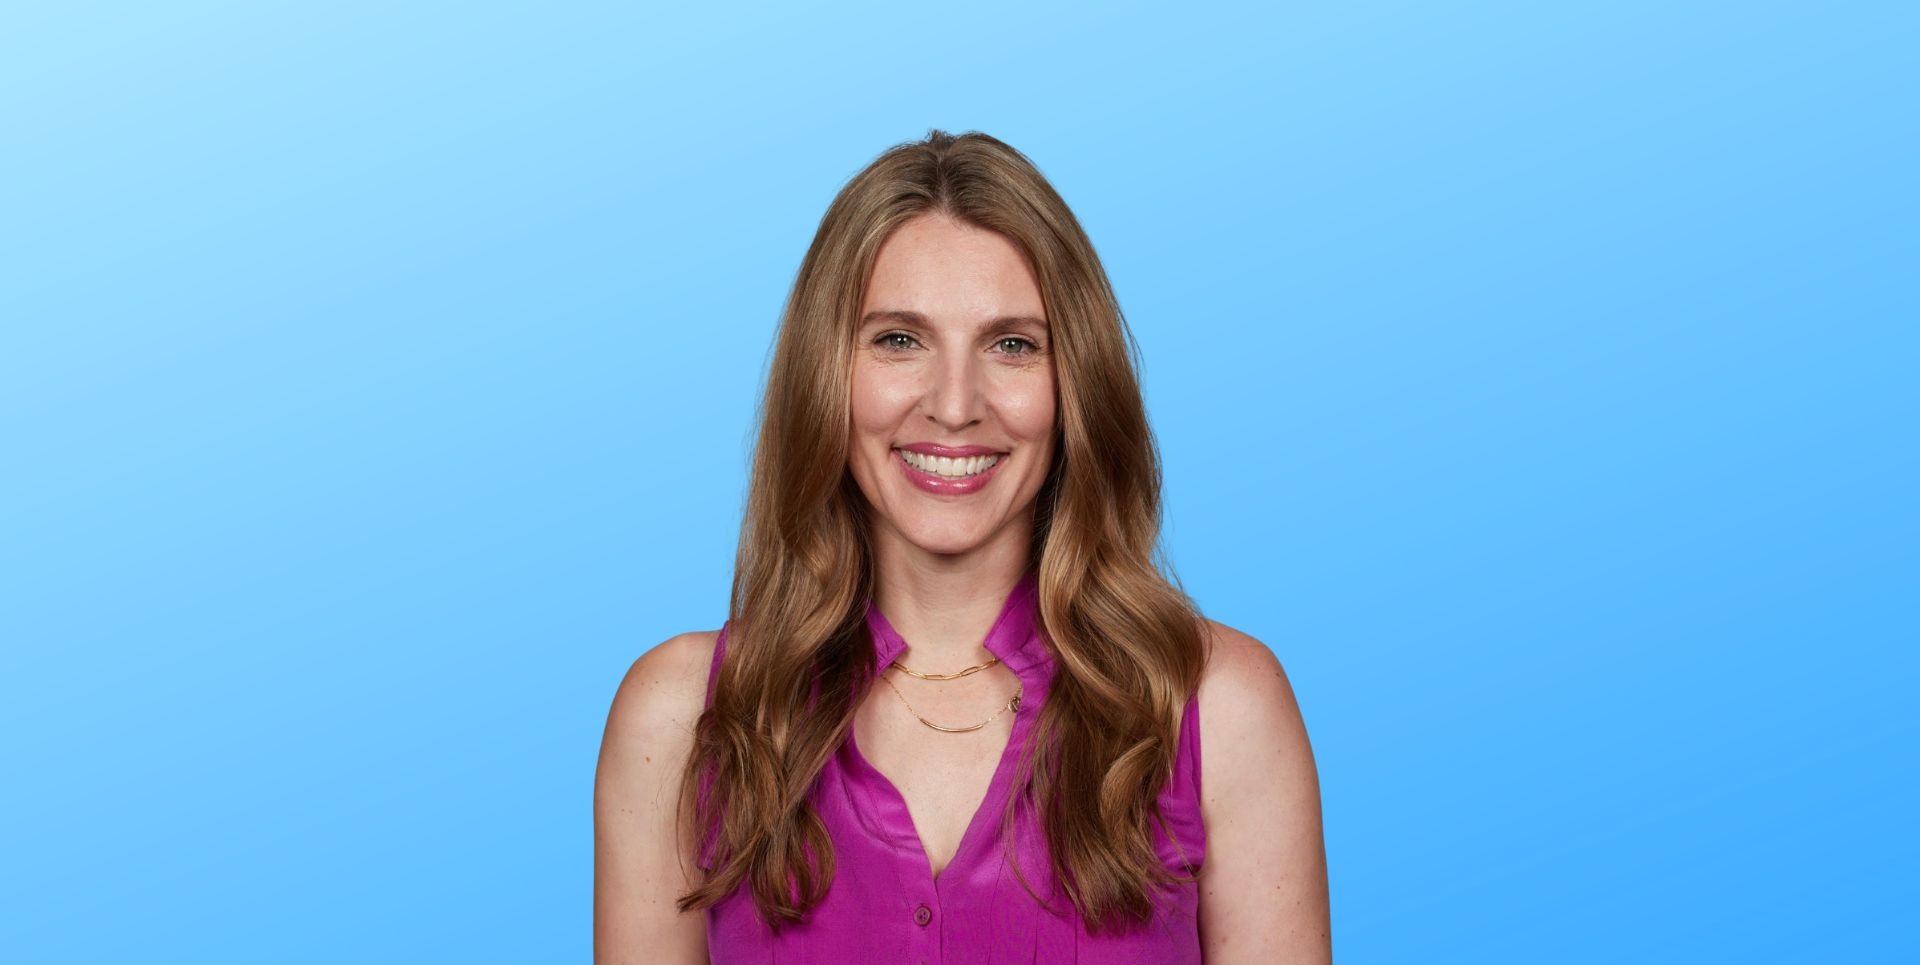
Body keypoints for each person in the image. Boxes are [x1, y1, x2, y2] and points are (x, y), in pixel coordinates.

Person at [595, 130, 1330, 964]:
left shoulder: (1219, 708)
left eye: (1012, 344)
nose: (954, 405)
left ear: (1075, 382)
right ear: (825, 374)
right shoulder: (681, 719)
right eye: (899, 339)